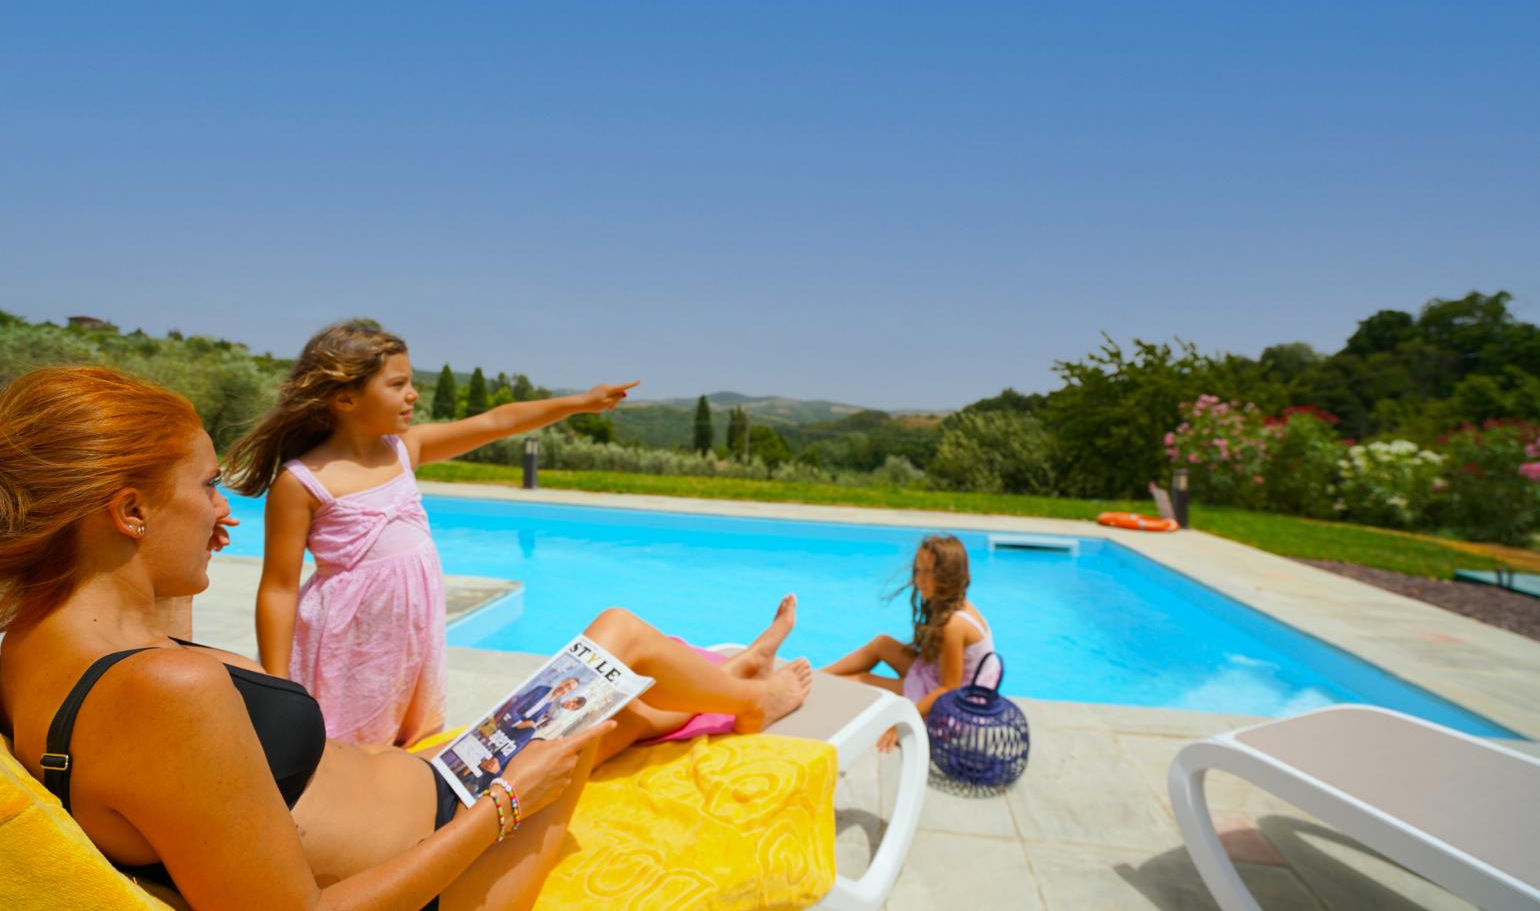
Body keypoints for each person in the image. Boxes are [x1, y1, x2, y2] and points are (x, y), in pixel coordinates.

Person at [0, 366, 813, 909]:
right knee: (612, 659)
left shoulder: (39, 647)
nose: (227, 513)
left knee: (607, 703)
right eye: (209, 486)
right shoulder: (163, 695)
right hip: (450, 862)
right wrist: (506, 802)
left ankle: (731, 680)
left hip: (438, 783)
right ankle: (749, 694)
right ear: (130, 512)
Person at [223, 319, 637, 746]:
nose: (413, 395)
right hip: (346, 645)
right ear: (346, 398)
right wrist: (277, 685)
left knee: (406, 738)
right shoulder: (302, 481)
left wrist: (578, 402)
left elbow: (496, 422)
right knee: (345, 746)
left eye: (411, 382)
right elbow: (278, 588)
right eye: (398, 384)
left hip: (406, 638)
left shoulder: (404, 450)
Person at [822, 534, 999, 751]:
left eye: (929, 572)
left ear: (948, 576)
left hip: (951, 701)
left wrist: (902, 723)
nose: (920, 580)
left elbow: (947, 690)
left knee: (862, 679)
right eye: (918, 571)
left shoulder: (953, 625)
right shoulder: (956, 604)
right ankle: (817, 676)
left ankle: (817, 685)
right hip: (936, 675)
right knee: (883, 643)